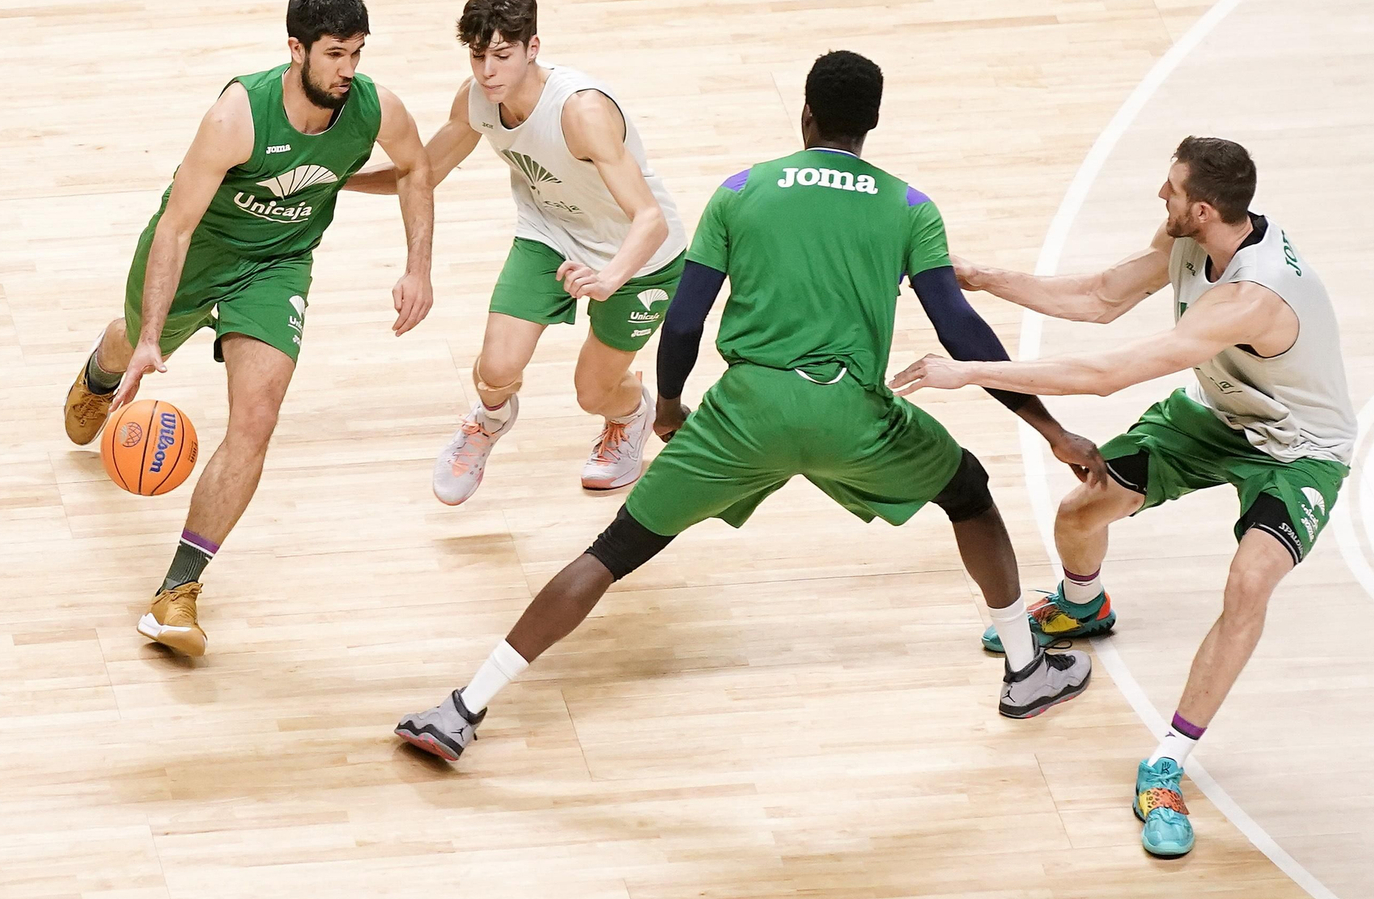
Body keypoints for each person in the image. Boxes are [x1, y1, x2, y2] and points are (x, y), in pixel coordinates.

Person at [394, 50, 1104, 761]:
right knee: (970, 493)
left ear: (806, 113)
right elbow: (961, 329)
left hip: (742, 414)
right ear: (873, 124)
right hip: (851, 414)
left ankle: (462, 708)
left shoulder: (740, 190)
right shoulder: (910, 207)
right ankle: (1024, 670)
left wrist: (669, 408)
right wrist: (1050, 429)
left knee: (611, 553)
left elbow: (684, 321)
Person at [890, 136, 1356, 858]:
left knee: (1248, 584)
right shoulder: (1195, 241)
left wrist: (971, 371)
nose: (1159, 198)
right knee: (1081, 509)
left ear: (1202, 209)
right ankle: (1084, 604)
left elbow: (1110, 373)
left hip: (1298, 452)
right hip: (1219, 416)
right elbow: (1102, 297)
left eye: (1169, 190)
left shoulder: (1249, 297)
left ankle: (1167, 762)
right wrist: (979, 275)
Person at [62, 0, 436, 657]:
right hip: (196, 254)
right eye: (333, 55)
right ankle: (101, 368)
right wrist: (149, 338)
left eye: (356, 53)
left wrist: (419, 267)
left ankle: (177, 592)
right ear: (296, 50)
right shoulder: (236, 117)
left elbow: (416, 169)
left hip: (276, 268)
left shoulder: (376, 108)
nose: (347, 70)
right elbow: (175, 230)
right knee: (131, 345)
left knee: (255, 423)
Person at [348, 0, 686, 500]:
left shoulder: (581, 112)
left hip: (638, 261)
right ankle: (489, 419)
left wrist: (609, 276)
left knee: (592, 391)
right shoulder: (476, 100)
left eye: (502, 56)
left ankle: (630, 414)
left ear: (533, 48)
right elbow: (424, 171)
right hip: (550, 234)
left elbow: (650, 218)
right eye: (478, 56)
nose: (488, 72)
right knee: (496, 369)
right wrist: (337, 178)